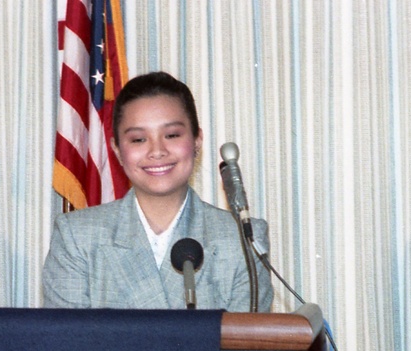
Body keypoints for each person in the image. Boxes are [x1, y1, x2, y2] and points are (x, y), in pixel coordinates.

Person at [42, 71, 273, 311]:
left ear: (197, 141)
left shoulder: (243, 239)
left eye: (172, 135)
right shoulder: (76, 237)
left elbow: (247, 346)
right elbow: (67, 343)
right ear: (118, 150)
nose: (157, 151)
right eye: (138, 139)